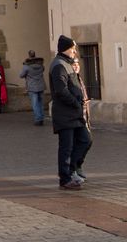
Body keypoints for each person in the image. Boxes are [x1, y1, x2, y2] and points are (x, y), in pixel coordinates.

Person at [50, 36, 89, 189]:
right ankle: (65, 178)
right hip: (65, 113)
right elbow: (61, 91)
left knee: (86, 140)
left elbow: (74, 84)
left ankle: (72, 169)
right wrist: (75, 102)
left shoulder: (67, 63)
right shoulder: (59, 65)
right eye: (73, 48)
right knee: (66, 147)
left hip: (74, 113)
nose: (75, 51)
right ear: (66, 48)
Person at [72, 59, 93, 181]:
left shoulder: (79, 78)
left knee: (87, 141)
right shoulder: (71, 79)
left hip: (84, 116)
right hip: (76, 117)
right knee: (85, 140)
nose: (76, 66)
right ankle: (74, 167)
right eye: (73, 65)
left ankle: (77, 165)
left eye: (77, 64)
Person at [20, 50, 47, 126]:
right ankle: (41, 118)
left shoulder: (26, 66)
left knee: (35, 104)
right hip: (41, 85)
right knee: (40, 103)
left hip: (32, 86)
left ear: (29, 55)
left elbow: (21, 75)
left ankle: (38, 119)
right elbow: (43, 70)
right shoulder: (41, 65)